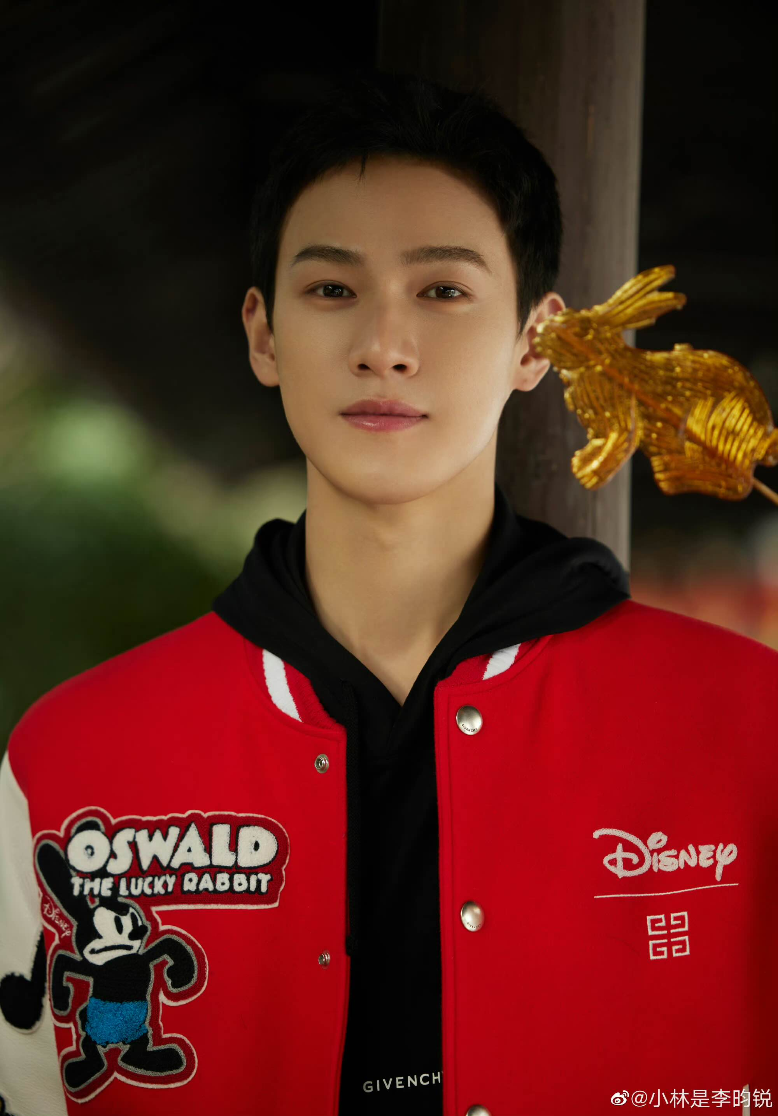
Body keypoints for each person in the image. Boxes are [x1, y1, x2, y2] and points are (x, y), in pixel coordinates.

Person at [0, 69, 773, 1116]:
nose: (382, 347)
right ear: (263, 333)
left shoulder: (748, 727)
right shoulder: (68, 758)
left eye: (443, 290)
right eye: (332, 289)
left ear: (534, 340)